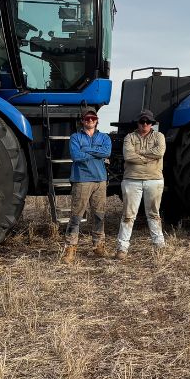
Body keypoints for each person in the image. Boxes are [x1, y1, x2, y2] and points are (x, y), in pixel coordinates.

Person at [61, 109, 112, 263]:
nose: (90, 121)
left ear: (97, 120)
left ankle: (98, 246)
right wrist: (97, 153)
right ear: (82, 121)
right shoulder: (75, 137)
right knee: (76, 216)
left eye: (93, 118)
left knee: (99, 215)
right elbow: (76, 156)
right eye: (87, 118)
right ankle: (70, 248)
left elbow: (107, 152)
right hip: (81, 180)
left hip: (100, 180)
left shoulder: (104, 137)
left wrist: (87, 150)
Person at [116, 109, 166, 258]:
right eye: (142, 121)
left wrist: (140, 155)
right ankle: (122, 248)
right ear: (137, 123)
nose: (145, 124)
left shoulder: (159, 136)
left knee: (154, 214)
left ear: (152, 124)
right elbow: (128, 156)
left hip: (154, 179)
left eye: (148, 122)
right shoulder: (129, 137)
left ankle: (159, 245)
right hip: (132, 180)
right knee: (128, 215)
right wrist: (148, 158)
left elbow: (159, 152)